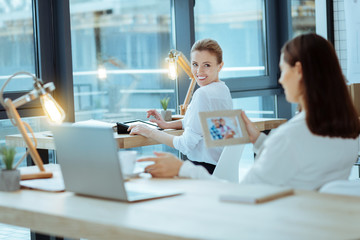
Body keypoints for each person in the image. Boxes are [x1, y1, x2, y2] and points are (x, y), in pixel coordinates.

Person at [137, 33, 360, 190]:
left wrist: (182, 168)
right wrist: (258, 140)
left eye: (282, 71)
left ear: (299, 71)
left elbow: (242, 192)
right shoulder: (348, 129)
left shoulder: (292, 135)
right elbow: (298, 160)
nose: (281, 80)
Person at [128, 39, 233, 174]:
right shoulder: (223, 90)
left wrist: (149, 131)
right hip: (219, 170)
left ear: (220, 66)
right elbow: (199, 123)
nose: (199, 71)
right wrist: (166, 125)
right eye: (195, 64)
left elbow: (185, 145)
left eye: (206, 65)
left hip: (202, 171)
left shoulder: (203, 94)